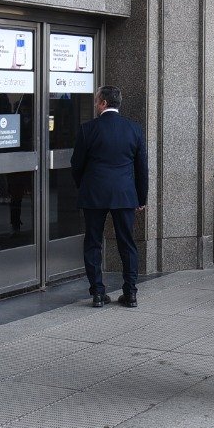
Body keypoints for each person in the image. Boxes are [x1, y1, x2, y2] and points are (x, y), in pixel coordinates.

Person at [71, 86, 149, 307]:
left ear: (103, 102)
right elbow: (142, 168)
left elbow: (76, 164)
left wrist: (84, 186)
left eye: (97, 101)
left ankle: (97, 293)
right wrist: (141, 198)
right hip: (124, 195)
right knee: (127, 243)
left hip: (94, 194)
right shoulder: (134, 129)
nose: (96, 104)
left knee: (93, 243)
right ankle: (130, 293)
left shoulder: (88, 129)